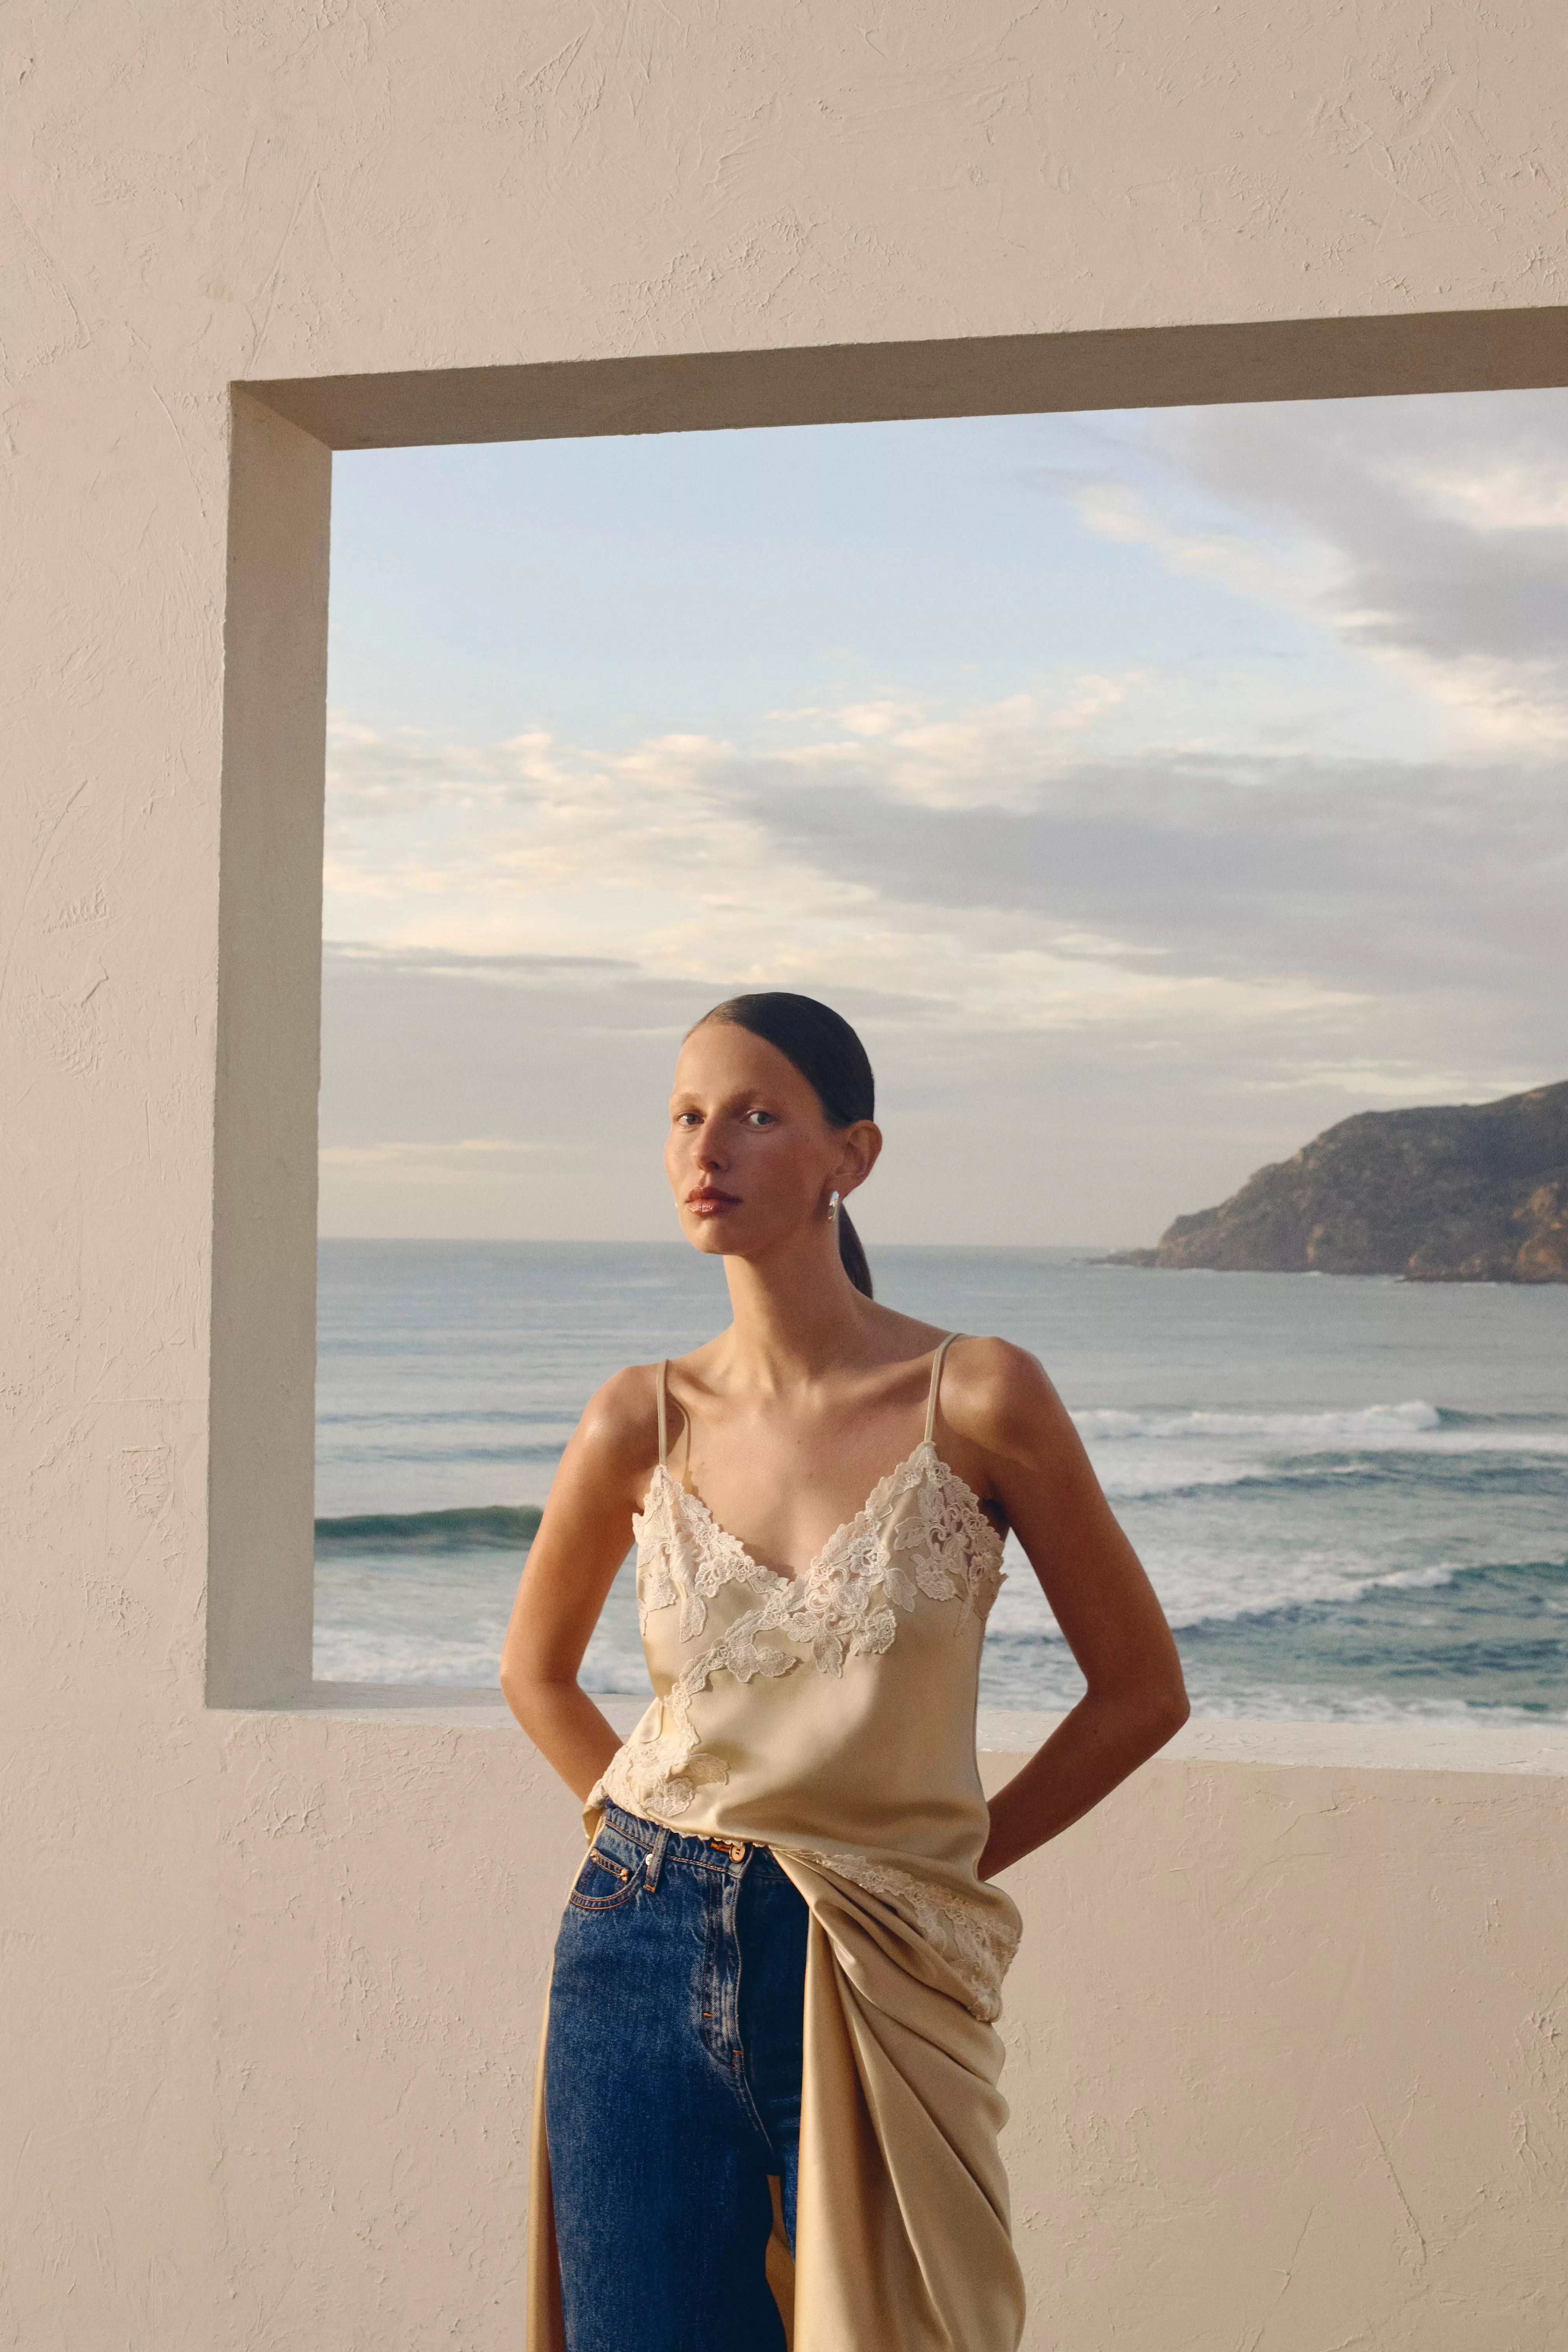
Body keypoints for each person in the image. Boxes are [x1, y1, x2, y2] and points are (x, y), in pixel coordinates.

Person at [500, 991, 1189, 2352]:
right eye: (689, 1116)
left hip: (881, 1956)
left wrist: (951, 1859)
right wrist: (652, 1844)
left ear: (850, 1157)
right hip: (632, 1959)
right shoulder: (638, 1416)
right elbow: (537, 1672)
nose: (713, 1148)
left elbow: (1141, 1691)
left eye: (760, 1115)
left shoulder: (978, 1396)